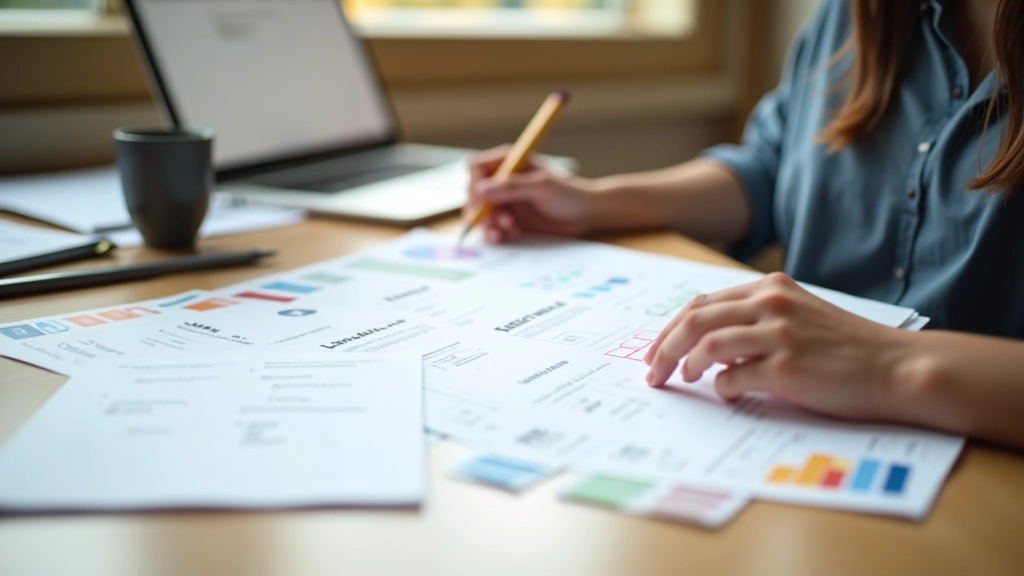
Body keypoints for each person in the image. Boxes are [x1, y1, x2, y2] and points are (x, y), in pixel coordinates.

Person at [462, 0, 1024, 449]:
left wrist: (886, 363)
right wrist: (594, 202)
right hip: (792, 433)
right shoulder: (853, 15)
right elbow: (771, 168)